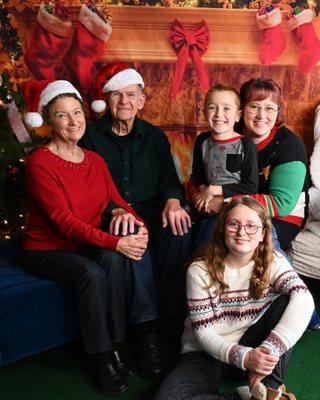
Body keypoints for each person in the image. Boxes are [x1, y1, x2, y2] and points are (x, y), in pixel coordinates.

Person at [21, 80, 157, 395]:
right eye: (62, 116)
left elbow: (118, 201)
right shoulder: (41, 162)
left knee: (112, 260)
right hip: (46, 248)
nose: (73, 121)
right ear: (48, 122)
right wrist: (117, 242)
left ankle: (117, 345)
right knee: (91, 272)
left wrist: (139, 225)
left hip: (84, 243)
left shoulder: (93, 160)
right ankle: (98, 355)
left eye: (76, 113)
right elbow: (63, 222)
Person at [80, 63, 192, 360]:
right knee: (131, 234)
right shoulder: (90, 137)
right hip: (113, 215)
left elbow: (170, 181)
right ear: (106, 100)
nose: (124, 102)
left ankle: (172, 317)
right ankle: (146, 330)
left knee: (180, 229)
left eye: (131, 95)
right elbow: (86, 187)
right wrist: (115, 210)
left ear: (142, 100)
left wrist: (172, 201)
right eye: (116, 95)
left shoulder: (154, 138)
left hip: (153, 209)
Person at [154, 198, 314, 400]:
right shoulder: (199, 270)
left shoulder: (274, 260)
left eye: (251, 226)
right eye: (233, 224)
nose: (242, 232)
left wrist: (266, 351)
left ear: (263, 233)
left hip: (255, 346)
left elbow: (304, 299)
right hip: (207, 352)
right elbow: (204, 332)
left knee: (288, 300)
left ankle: (268, 391)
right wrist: (244, 357)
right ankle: (247, 398)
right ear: (222, 229)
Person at [187, 84, 258, 246]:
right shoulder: (202, 141)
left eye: (226, 108)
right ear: (204, 112)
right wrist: (203, 193)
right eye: (212, 107)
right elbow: (197, 174)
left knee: (214, 237)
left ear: (238, 115)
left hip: (236, 208)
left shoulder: (245, 145)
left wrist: (213, 191)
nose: (219, 114)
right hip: (207, 206)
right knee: (199, 241)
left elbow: (251, 186)